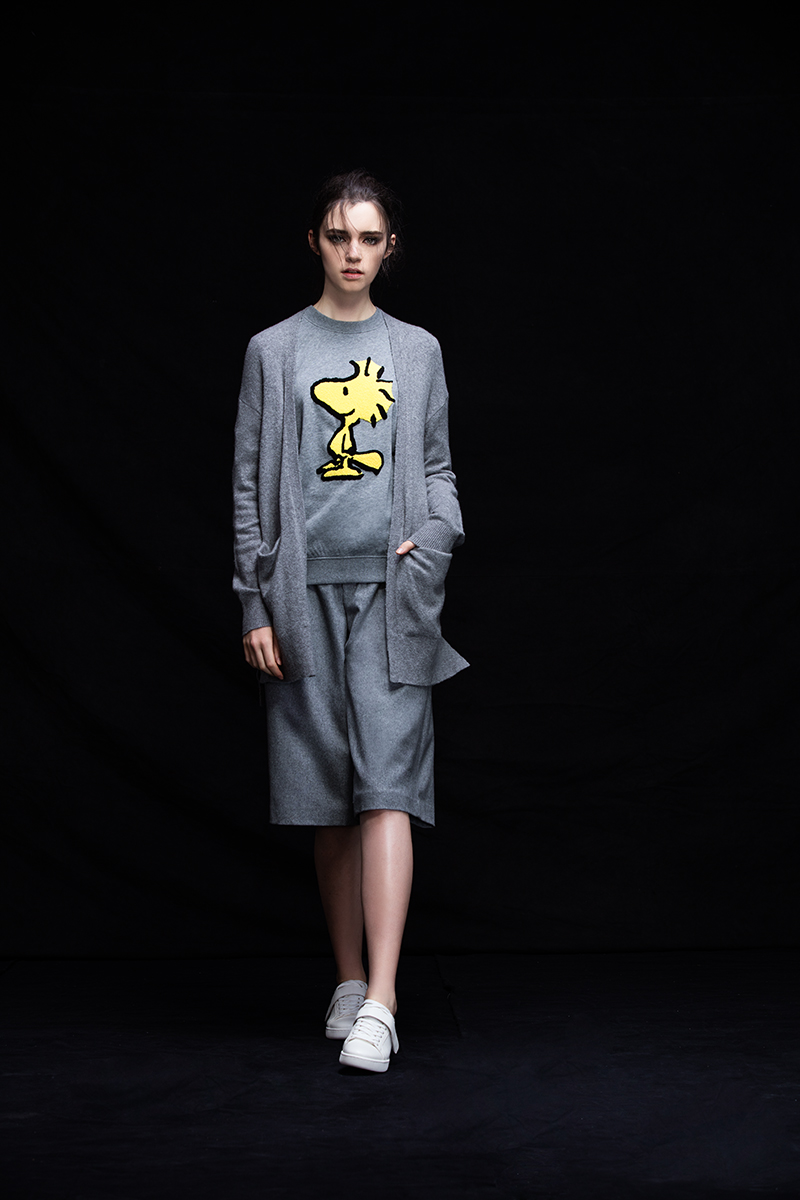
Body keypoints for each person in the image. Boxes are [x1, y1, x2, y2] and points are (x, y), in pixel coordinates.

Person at [232, 169, 466, 1073]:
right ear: (315, 242)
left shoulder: (416, 350)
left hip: (393, 597)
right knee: (327, 797)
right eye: (339, 236)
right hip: (299, 599)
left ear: (390, 247)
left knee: (389, 787)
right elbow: (249, 487)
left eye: (370, 238)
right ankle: (347, 978)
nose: (354, 253)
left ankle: (384, 999)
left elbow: (438, 469)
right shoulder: (274, 351)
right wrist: (255, 602)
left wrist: (437, 536)